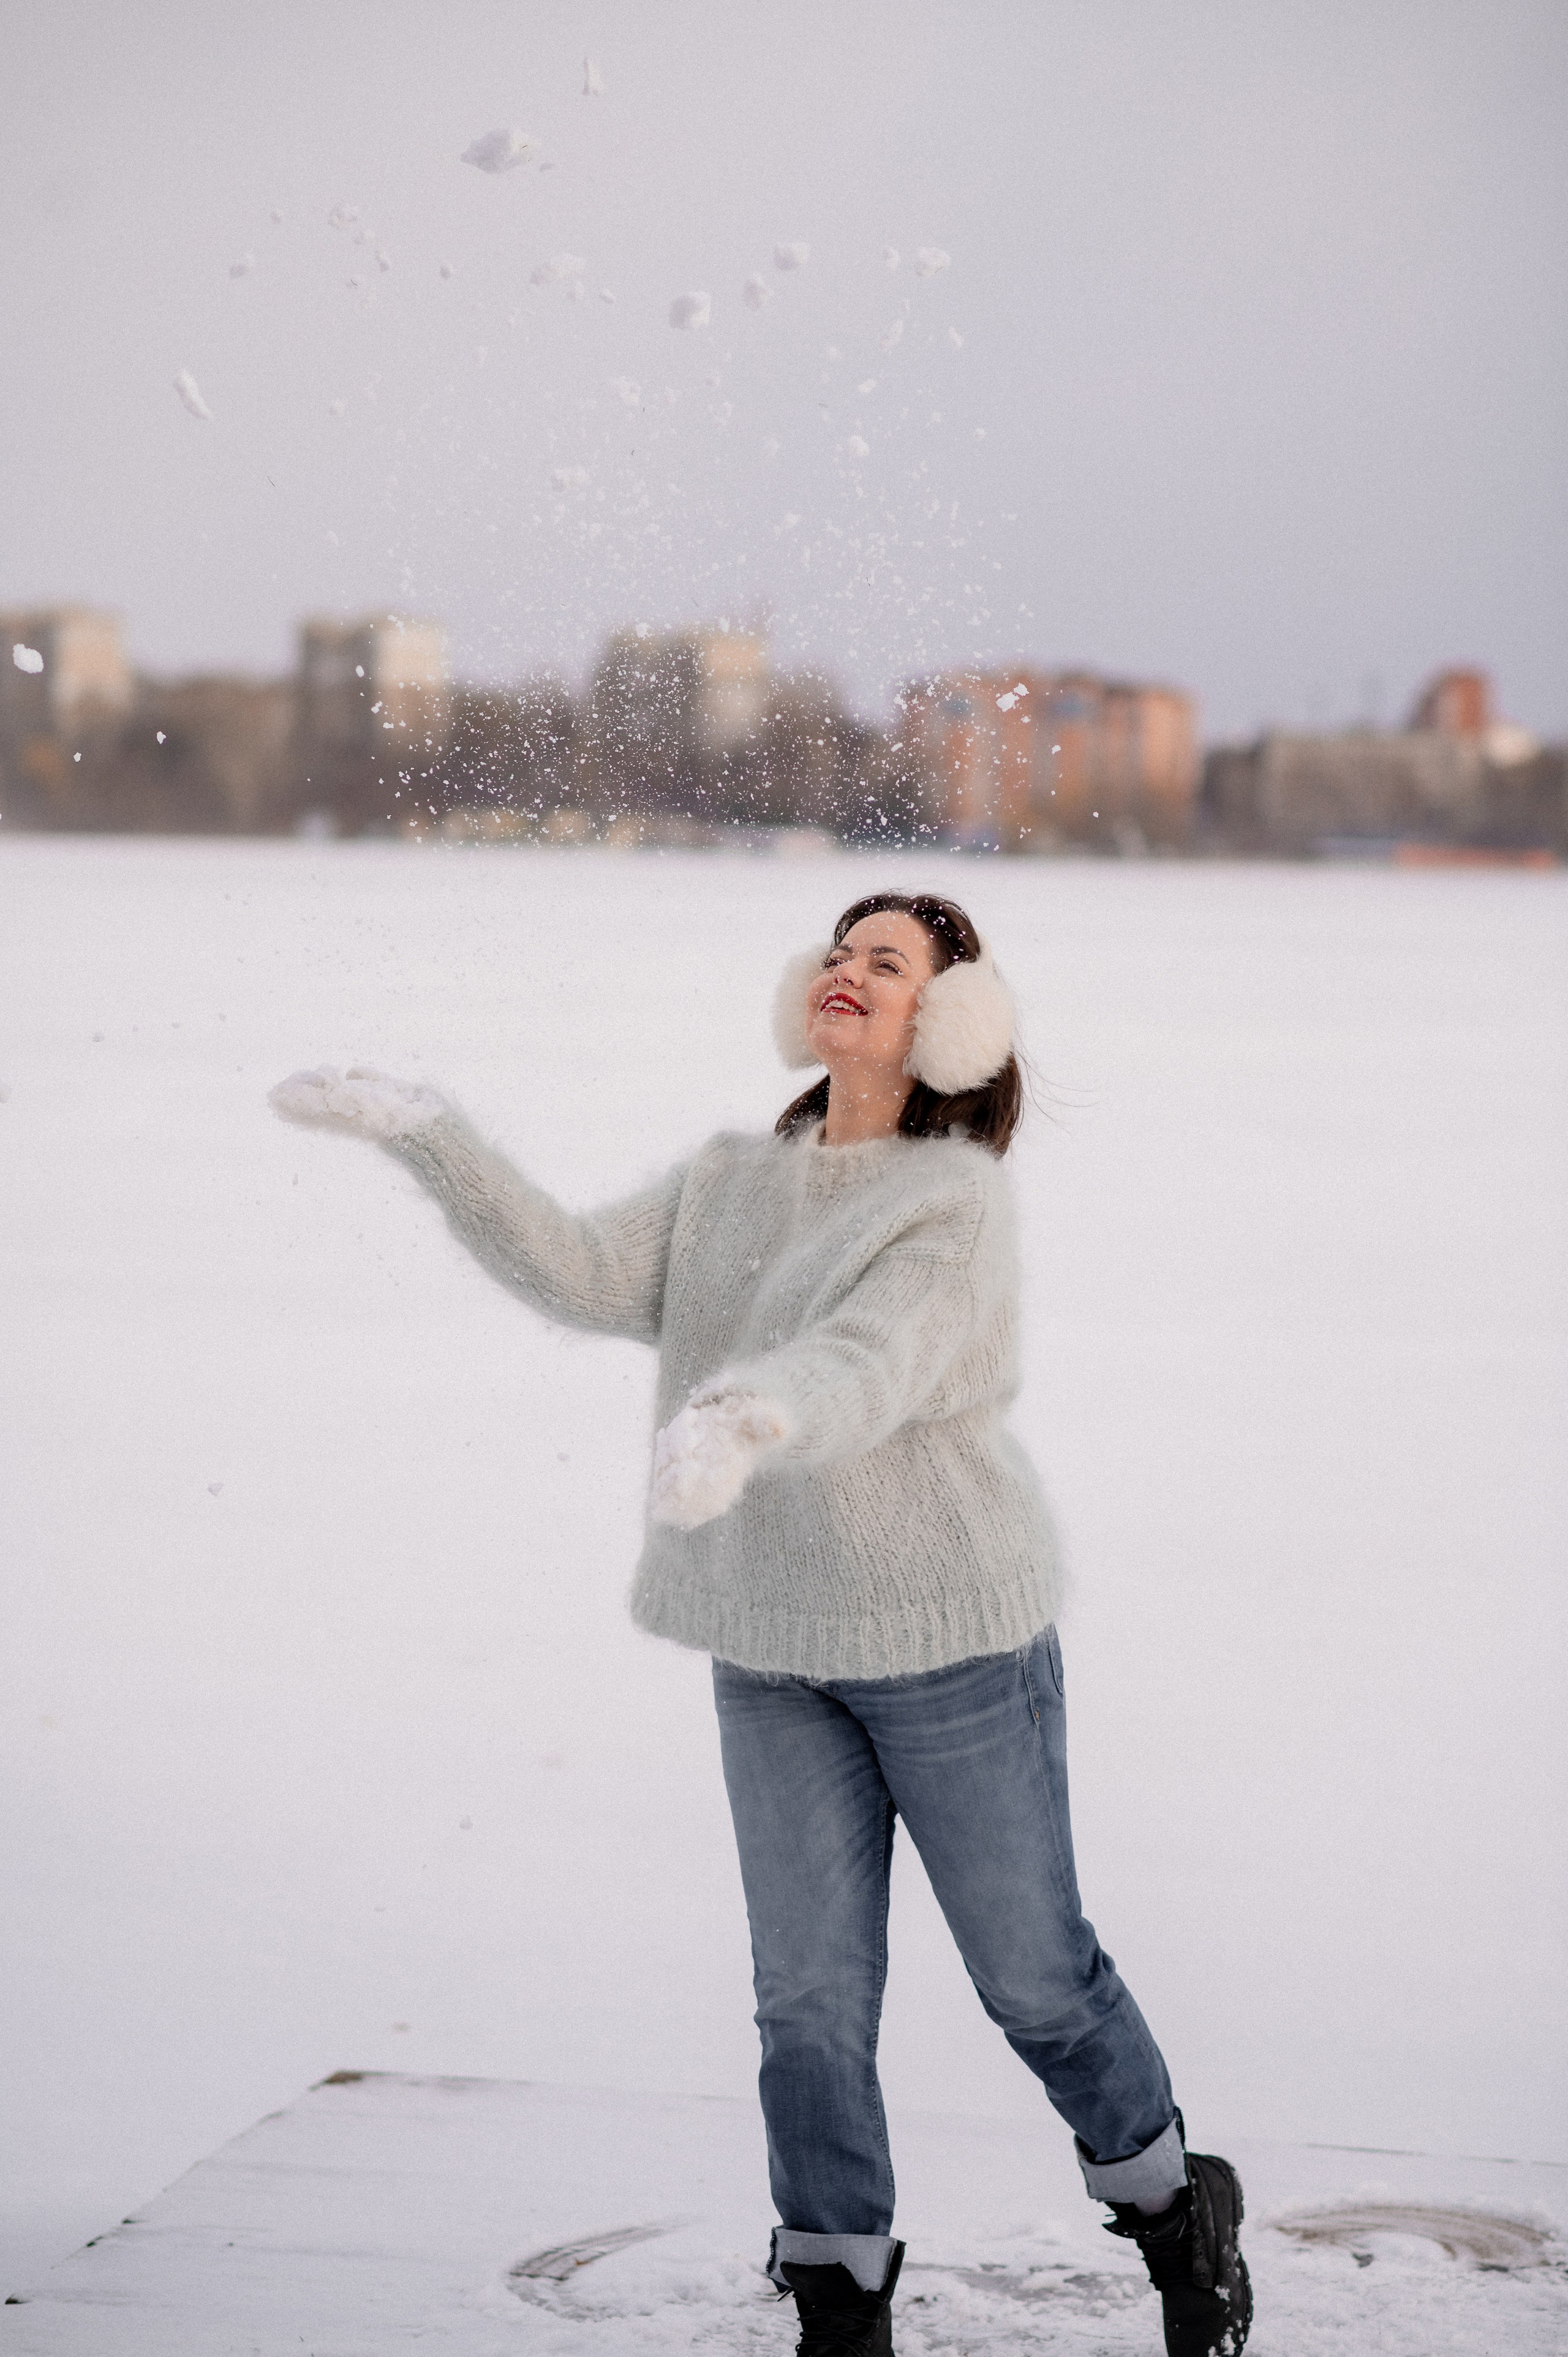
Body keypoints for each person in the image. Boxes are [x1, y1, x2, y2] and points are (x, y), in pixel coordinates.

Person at [270, 889, 1251, 2357]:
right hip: (774, 1644)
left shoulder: (949, 1203)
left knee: (1036, 1981)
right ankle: (838, 2307)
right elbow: (583, 1271)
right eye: (838, 954)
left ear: (950, 1019)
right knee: (804, 2004)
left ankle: (1176, 2210)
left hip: (948, 1644)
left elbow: (871, 1357)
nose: (847, 975)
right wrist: (430, 1135)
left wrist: (751, 1409)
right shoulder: (732, 1177)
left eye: (887, 962)